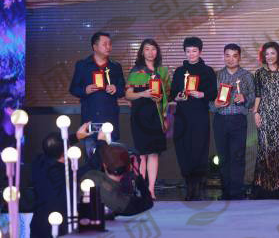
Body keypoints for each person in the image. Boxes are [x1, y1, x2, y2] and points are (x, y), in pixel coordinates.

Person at [30, 123, 106, 237]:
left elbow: (52, 147)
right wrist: (102, 142)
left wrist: (76, 136)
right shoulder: (69, 177)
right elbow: (94, 164)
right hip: (60, 231)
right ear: (66, 151)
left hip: (38, 228)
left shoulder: (37, 163)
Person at [170, 37, 217, 201]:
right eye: (188, 51)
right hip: (182, 116)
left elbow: (214, 93)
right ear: (184, 52)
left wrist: (202, 94)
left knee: (199, 149)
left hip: (199, 116)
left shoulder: (208, 71)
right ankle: (188, 184)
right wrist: (177, 96)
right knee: (183, 149)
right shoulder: (179, 71)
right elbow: (172, 93)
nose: (191, 54)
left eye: (194, 51)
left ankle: (197, 186)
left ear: (200, 52)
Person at [125, 38, 170, 200]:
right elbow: (128, 95)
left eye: (153, 49)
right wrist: (143, 94)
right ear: (142, 52)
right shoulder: (136, 71)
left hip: (156, 115)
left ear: (157, 51)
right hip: (140, 116)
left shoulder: (162, 71)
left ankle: (151, 189)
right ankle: (141, 189)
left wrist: (165, 116)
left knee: (154, 153)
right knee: (142, 153)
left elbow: (167, 95)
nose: (151, 52)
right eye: (147, 49)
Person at [251, 41, 279, 199]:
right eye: (267, 54)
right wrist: (255, 113)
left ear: (278, 55)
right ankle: (264, 186)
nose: (269, 56)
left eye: (272, 53)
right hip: (264, 115)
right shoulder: (259, 73)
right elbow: (258, 95)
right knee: (265, 149)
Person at [69, 32, 126, 156]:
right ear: (95, 47)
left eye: (110, 44)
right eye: (104, 44)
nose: (108, 47)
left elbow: (123, 90)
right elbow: (73, 89)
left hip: (110, 118)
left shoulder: (115, 66)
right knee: (92, 157)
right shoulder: (83, 65)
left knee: (111, 158)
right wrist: (85, 90)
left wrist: (116, 89)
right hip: (90, 118)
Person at [212, 43, 255, 200]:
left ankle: (237, 191)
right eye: (227, 55)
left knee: (238, 156)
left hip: (238, 119)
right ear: (223, 56)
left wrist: (245, 98)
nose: (230, 59)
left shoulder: (247, 76)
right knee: (223, 157)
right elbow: (209, 100)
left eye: (234, 56)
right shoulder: (216, 76)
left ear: (239, 57)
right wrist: (215, 104)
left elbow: (253, 98)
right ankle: (226, 191)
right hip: (220, 119)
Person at [81, 144, 153, 216]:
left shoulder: (90, 175)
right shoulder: (123, 203)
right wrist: (138, 176)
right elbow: (148, 203)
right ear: (129, 167)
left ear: (104, 165)